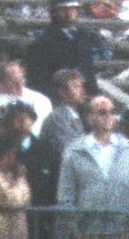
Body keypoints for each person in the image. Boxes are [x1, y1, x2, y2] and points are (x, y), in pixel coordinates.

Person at [59, 95, 129, 239]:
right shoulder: (74, 151)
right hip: (87, 231)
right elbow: (65, 194)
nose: (108, 116)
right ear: (90, 117)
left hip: (122, 231)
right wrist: (74, 229)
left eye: (112, 112)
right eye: (102, 112)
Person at [28, 0, 105, 99]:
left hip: (83, 96)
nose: (69, 13)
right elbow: (38, 80)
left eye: (72, 9)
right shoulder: (42, 42)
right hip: (58, 98)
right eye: (63, 9)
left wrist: (93, 95)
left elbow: (88, 71)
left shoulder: (84, 36)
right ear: (53, 12)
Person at [30, 69, 88, 205]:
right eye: (76, 86)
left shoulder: (77, 117)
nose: (82, 91)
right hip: (59, 184)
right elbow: (69, 151)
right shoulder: (58, 118)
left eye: (81, 86)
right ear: (62, 92)